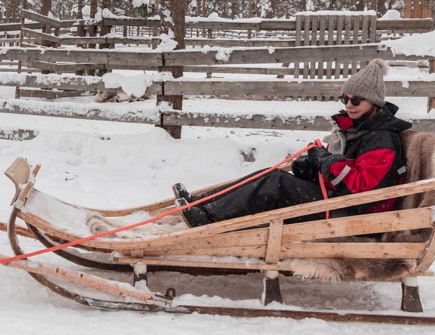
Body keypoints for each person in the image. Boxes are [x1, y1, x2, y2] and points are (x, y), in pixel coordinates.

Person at [175, 59, 411, 226]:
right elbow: (342, 173)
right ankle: (201, 203)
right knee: (269, 174)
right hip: (339, 200)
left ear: (374, 103)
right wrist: (311, 167)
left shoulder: (382, 139)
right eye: (345, 98)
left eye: (356, 100)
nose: (349, 105)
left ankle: (207, 217)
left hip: (354, 214)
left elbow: (361, 186)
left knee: (275, 183)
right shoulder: (359, 130)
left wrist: (325, 161)